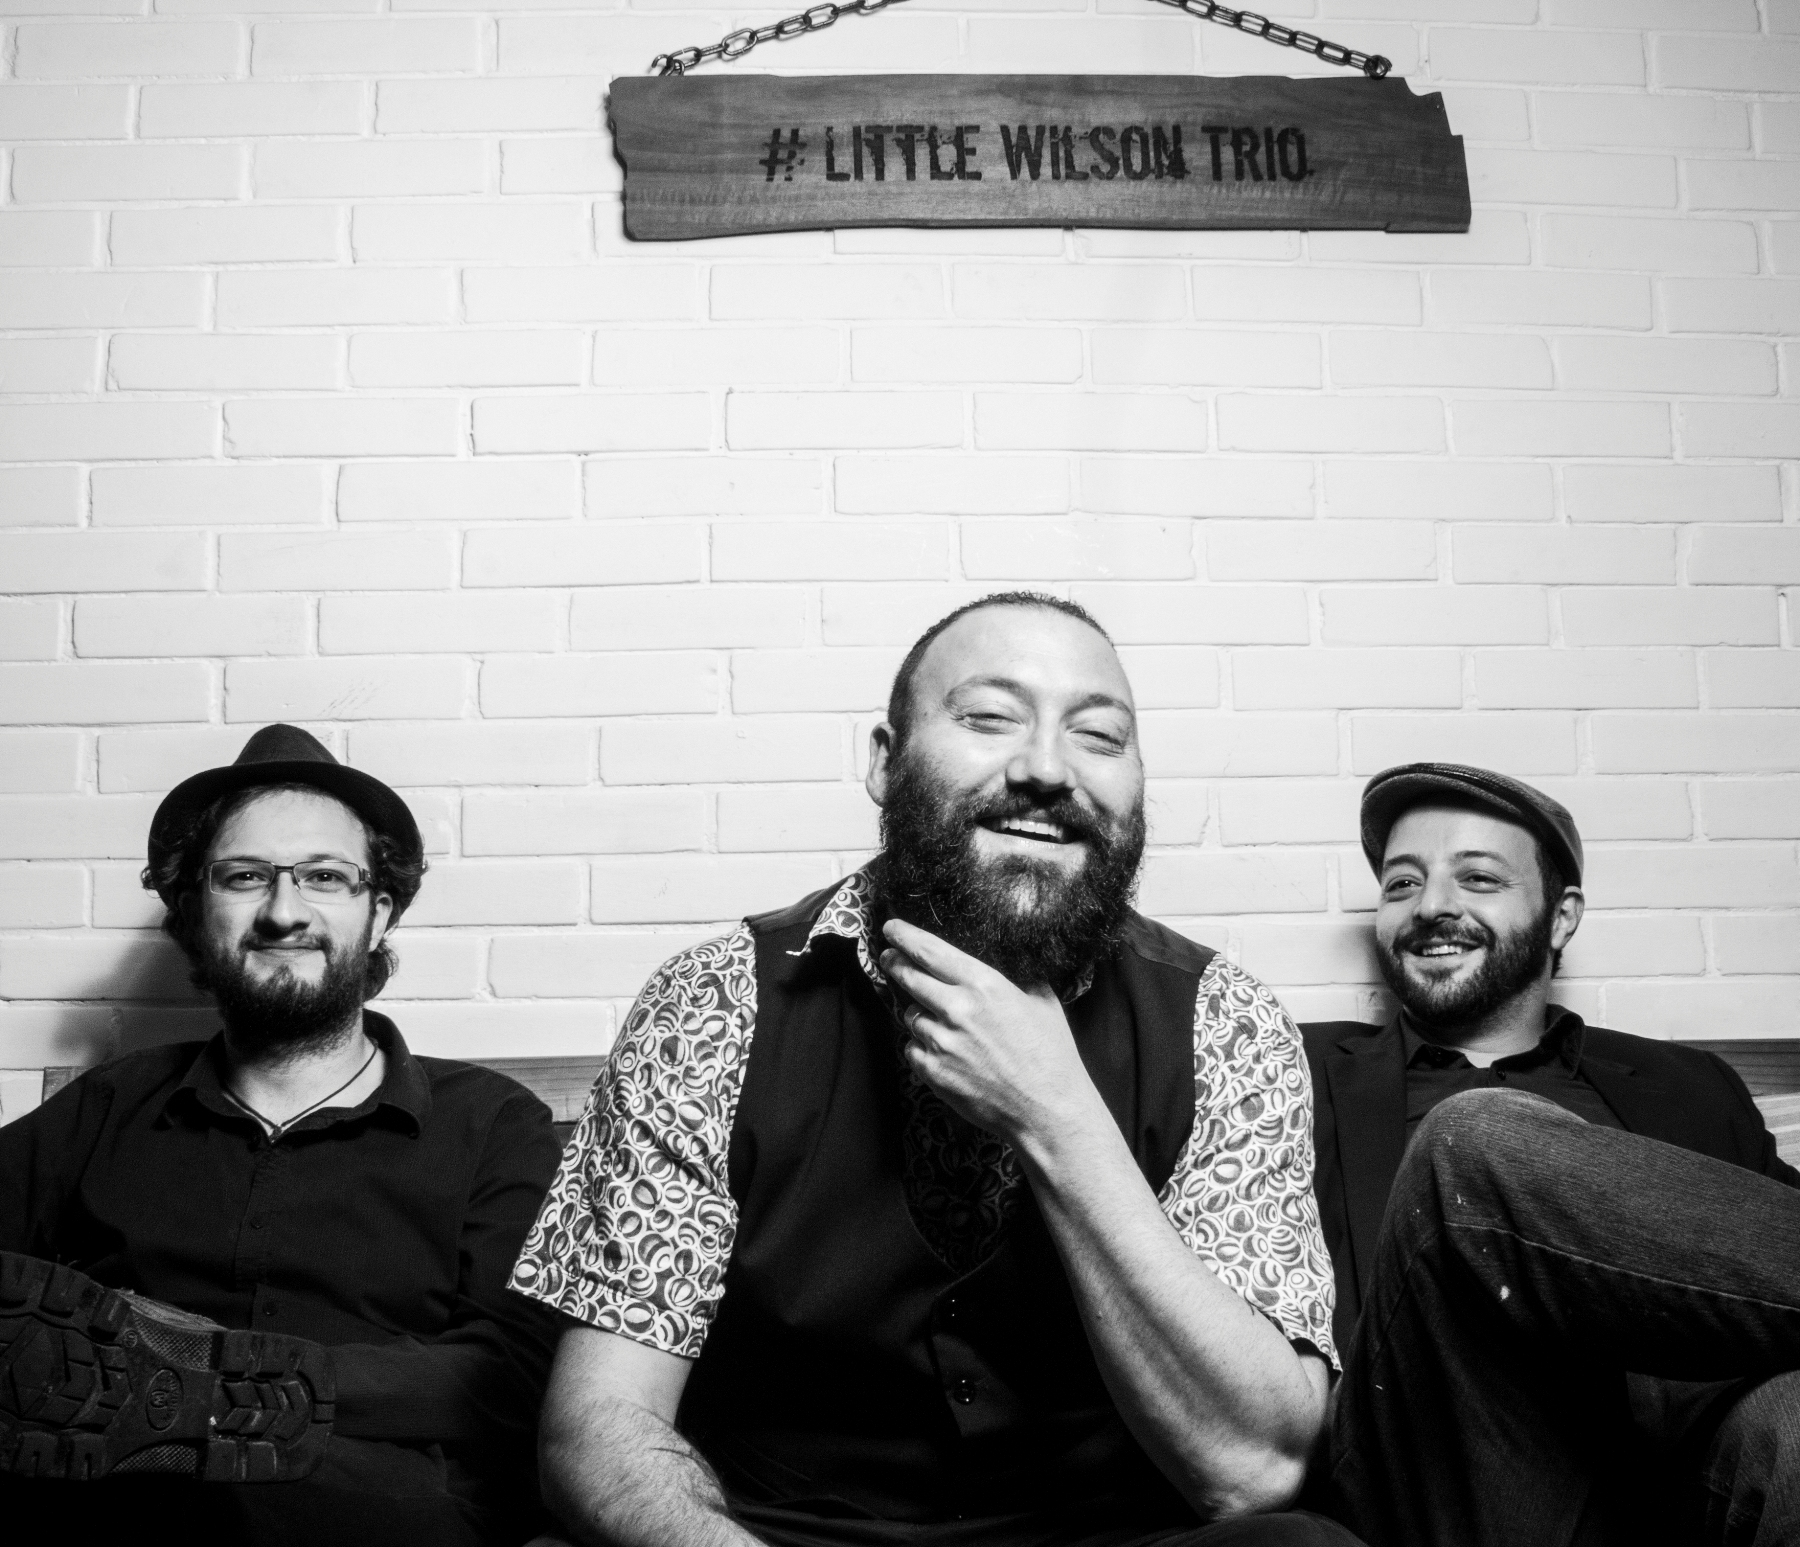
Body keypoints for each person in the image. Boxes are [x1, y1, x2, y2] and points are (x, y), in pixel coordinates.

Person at [512, 592, 1358, 1547]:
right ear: (886, 760)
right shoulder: (712, 1003)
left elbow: (1254, 1469)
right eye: (990, 717)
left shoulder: (1224, 1020)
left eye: (1098, 735)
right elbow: (598, 1426)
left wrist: (1056, 1116)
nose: (1047, 768)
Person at [0, 724, 563, 1546]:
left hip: (384, 1509)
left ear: (378, 912)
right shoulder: (109, 1107)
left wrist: (217, 1379)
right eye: (245, 876)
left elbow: (510, 1371)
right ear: (196, 911)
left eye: (324, 876)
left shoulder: (492, 1123)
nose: (283, 911)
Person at [1302, 761, 1800, 1547]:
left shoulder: (1690, 1088)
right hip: (1437, 1477)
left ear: (1561, 917)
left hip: (1679, 1488)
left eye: (1477, 877)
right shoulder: (1296, 1072)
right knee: (1471, 1139)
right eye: (1401, 884)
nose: (1430, 906)